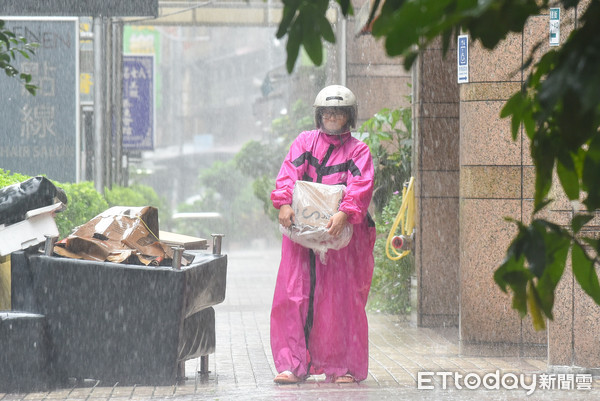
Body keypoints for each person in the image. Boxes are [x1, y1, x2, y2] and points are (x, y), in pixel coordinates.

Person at [270, 84, 376, 384]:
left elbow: (360, 185)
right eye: (327, 112)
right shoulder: (304, 142)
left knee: (340, 301)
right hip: (301, 235)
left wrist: (345, 213)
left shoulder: (358, 150)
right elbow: (289, 172)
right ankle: (291, 364)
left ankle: (343, 366)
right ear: (319, 115)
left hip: (340, 238)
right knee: (293, 295)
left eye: (338, 112)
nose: (332, 117)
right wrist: (284, 202)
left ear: (349, 117)